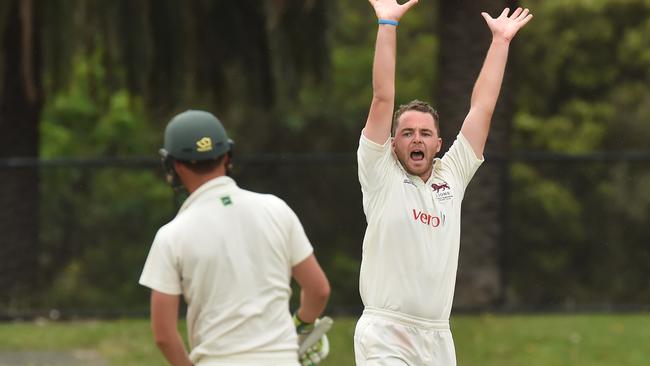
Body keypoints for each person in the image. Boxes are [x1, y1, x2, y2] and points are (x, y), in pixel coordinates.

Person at [354, 1, 532, 365]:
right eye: (406, 133)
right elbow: (382, 97)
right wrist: (387, 23)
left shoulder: (452, 175)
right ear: (392, 142)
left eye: (425, 133)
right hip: (385, 332)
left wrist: (500, 42)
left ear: (438, 144)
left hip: (437, 337)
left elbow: (481, 108)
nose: (416, 139)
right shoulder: (379, 172)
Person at [139, 110, 331, 366]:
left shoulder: (172, 235)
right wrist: (301, 326)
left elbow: (164, 334)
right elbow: (318, 290)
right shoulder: (276, 209)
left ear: (173, 165)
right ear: (227, 156)